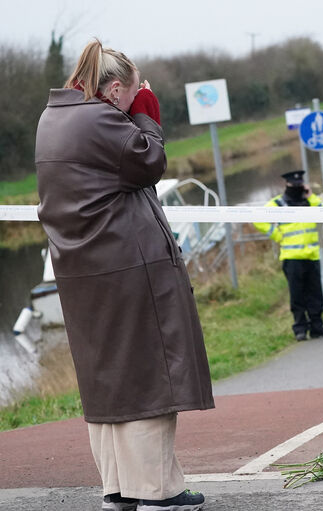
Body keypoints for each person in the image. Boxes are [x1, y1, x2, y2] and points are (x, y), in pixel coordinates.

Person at [35, 39, 213, 511]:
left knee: (107, 377)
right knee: (148, 373)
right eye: (132, 96)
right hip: (127, 267)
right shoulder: (100, 118)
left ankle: (119, 487)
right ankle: (157, 491)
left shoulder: (53, 117)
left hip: (85, 272)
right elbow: (149, 162)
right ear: (114, 91)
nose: (135, 104)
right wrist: (148, 114)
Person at [254, 170, 323, 341]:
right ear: (287, 184)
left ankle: (317, 327)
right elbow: (257, 219)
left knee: (316, 294)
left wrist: (311, 197)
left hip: (312, 255)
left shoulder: (310, 201)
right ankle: (300, 329)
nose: (298, 186)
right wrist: (276, 234)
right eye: (294, 184)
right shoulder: (278, 203)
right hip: (292, 257)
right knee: (297, 296)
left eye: (300, 183)